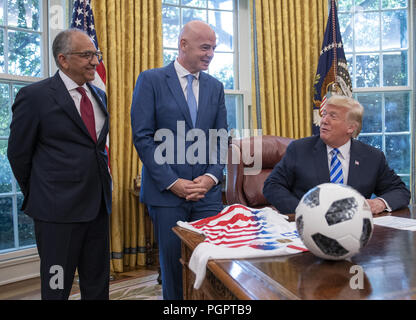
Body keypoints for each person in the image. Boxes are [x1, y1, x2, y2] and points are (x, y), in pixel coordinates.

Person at [7, 29, 112, 300]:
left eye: (96, 54)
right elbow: (18, 154)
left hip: (98, 208)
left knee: (97, 284)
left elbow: (96, 149)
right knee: (57, 287)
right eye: (86, 55)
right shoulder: (35, 97)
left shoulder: (98, 96)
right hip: (57, 214)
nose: (94, 61)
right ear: (63, 59)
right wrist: (44, 193)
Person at [131, 20, 228, 300]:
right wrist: (173, 182)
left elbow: (221, 138)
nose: (210, 54)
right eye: (205, 47)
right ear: (183, 45)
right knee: (174, 268)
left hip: (206, 194)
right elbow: (143, 137)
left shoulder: (216, 86)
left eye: (214, 48)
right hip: (166, 195)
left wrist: (210, 178)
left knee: (210, 266)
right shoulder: (151, 80)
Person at [263, 94, 410, 215]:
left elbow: (400, 191)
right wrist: (303, 211)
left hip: (354, 231)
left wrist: (379, 203)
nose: (324, 120)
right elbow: (272, 186)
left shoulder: (372, 157)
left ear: (351, 128)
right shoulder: (299, 149)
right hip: (309, 228)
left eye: (333, 116)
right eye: (324, 114)